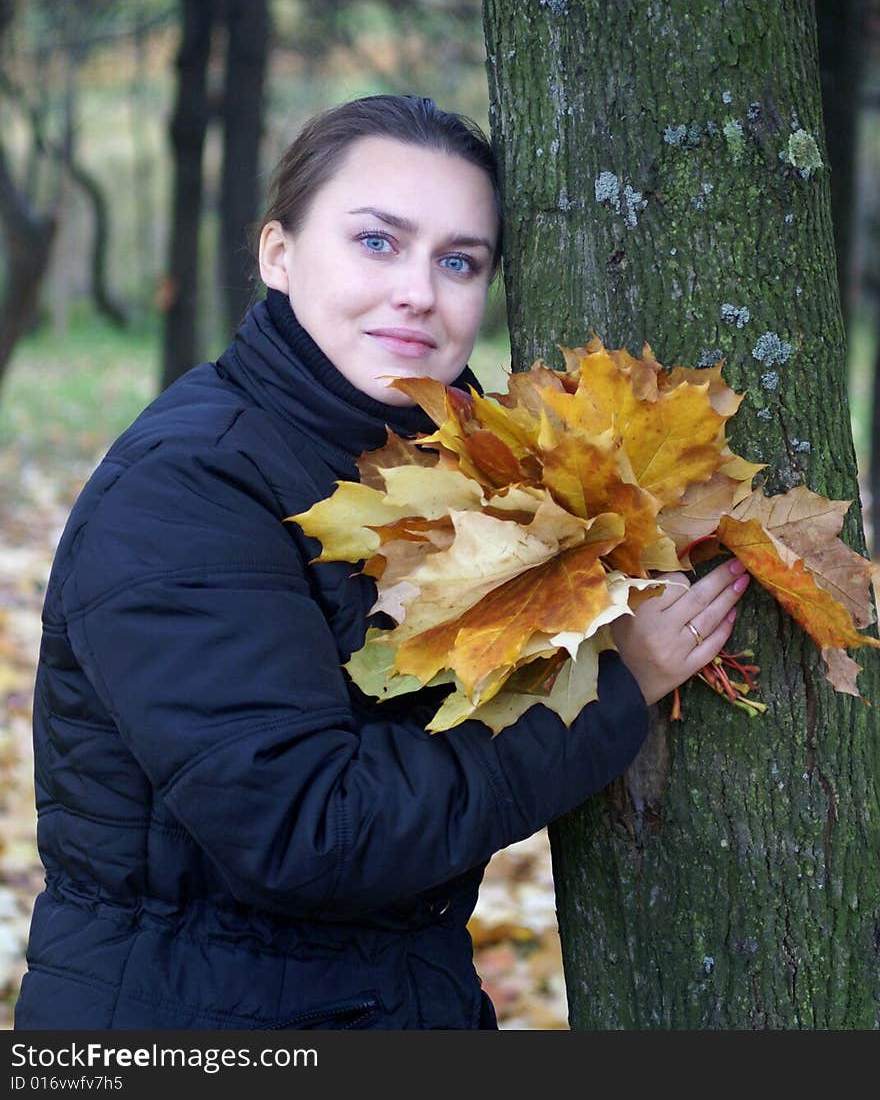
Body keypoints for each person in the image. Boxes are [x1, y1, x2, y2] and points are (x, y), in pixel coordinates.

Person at [14, 94, 750, 1031]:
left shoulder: (465, 465)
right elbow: (307, 831)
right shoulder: (188, 488)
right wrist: (611, 689)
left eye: (458, 260)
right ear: (278, 253)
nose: (419, 290)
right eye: (376, 241)